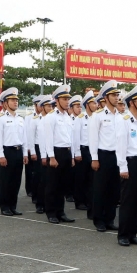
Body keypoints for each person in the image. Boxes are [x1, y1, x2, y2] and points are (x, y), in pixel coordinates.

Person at [114, 85, 137, 246]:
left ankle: (133, 233)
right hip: (130, 162)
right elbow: (121, 145)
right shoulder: (124, 121)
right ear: (132, 103)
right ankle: (123, 234)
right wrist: (123, 167)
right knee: (128, 200)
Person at [88, 81, 122, 233]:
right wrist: (94, 158)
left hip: (117, 156)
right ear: (106, 97)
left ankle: (110, 219)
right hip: (103, 155)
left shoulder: (121, 116)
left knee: (114, 190)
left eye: (117, 95)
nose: (117, 98)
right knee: (101, 189)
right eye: (114, 95)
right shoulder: (98, 116)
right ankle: (99, 220)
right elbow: (93, 138)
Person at [41, 85, 77, 224]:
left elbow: (70, 138)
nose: (67, 101)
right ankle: (51, 212)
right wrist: (51, 156)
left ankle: (60, 212)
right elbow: (48, 138)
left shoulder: (67, 117)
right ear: (57, 100)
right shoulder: (51, 117)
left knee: (63, 185)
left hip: (67, 153)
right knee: (52, 185)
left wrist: (72, 156)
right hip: (56, 153)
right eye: (64, 99)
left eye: (68, 98)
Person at [0, 87, 25, 215]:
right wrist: (0, 155)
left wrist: (25, 152)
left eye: (16, 100)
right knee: (6, 181)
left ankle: (13, 206)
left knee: (16, 181)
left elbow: (24, 137)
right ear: (5, 103)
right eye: (12, 100)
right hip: (7, 151)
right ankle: (5, 206)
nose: (15, 102)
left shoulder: (21, 118)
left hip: (18, 151)